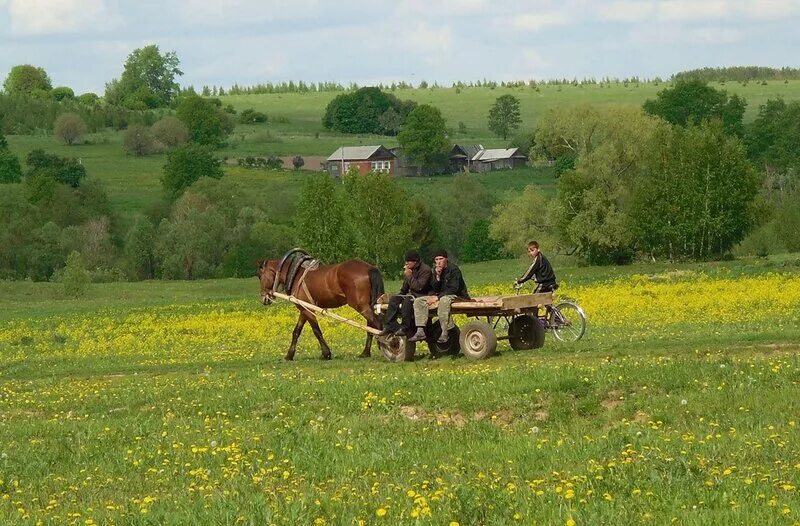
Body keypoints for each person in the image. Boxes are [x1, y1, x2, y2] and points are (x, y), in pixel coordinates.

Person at [408, 249, 470, 345]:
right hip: (440, 295)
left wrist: (437, 297)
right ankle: (420, 330)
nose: (438, 262)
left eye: (441, 259)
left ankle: (445, 331)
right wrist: (437, 276)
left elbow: (454, 288)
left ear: (446, 259)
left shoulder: (454, 269)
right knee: (418, 301)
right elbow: (434, 288)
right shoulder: (435, 271)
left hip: (457, 295)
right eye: (436, 259)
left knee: (444, 301)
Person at [379, 250, 433, 336]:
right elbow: (405, 288)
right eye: (406, 261)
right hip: (412, 294)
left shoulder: (425, 270)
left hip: (422, 294)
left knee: (407, 301)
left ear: (415, 261)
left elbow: (419, 287)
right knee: (394, 299)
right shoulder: (410, 269)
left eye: (408, 261)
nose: (406, 263)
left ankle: (405, 328)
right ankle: (389, 325)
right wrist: (400, 294)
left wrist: (409, 276)